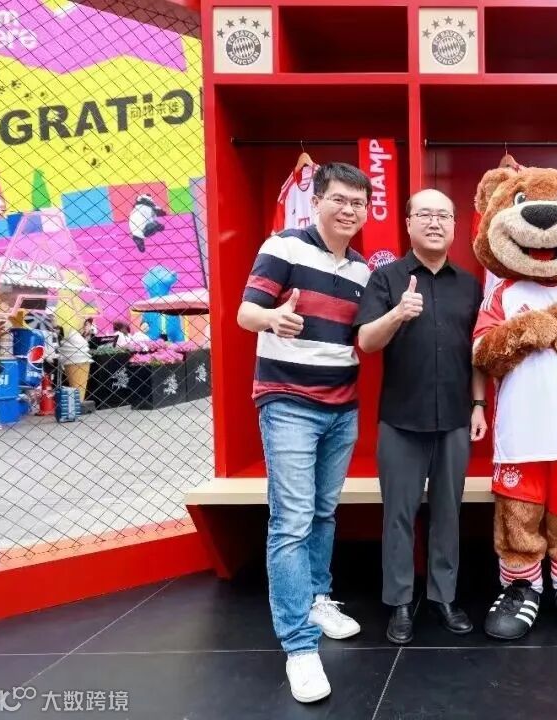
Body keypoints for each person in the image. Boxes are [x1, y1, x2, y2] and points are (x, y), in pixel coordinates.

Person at [236, 162, 373, 704]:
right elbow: (246, 312)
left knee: (322, 512)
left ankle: (318, 598)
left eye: (358, 203)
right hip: (289, 402)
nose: (349, 210)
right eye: (339, 199)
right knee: (290, 521)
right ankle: (298, 646)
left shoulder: (362, 269)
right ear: (315, 202)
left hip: (343, 406)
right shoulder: (284, 247)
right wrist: (273, 319)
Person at [356, 189, 487, 645]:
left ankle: (443, 597)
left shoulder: (469, 285)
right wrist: (397, 314)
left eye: (444, 215)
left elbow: (478, 354)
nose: (435, 222)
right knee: (398, 514)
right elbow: (366, 342)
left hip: (454, 418)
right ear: (408, 223)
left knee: (448, 513)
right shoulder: (386, 279)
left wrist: (478, 405)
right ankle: (398, 602)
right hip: (400, 418)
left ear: (454, 226)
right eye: (425, 214)